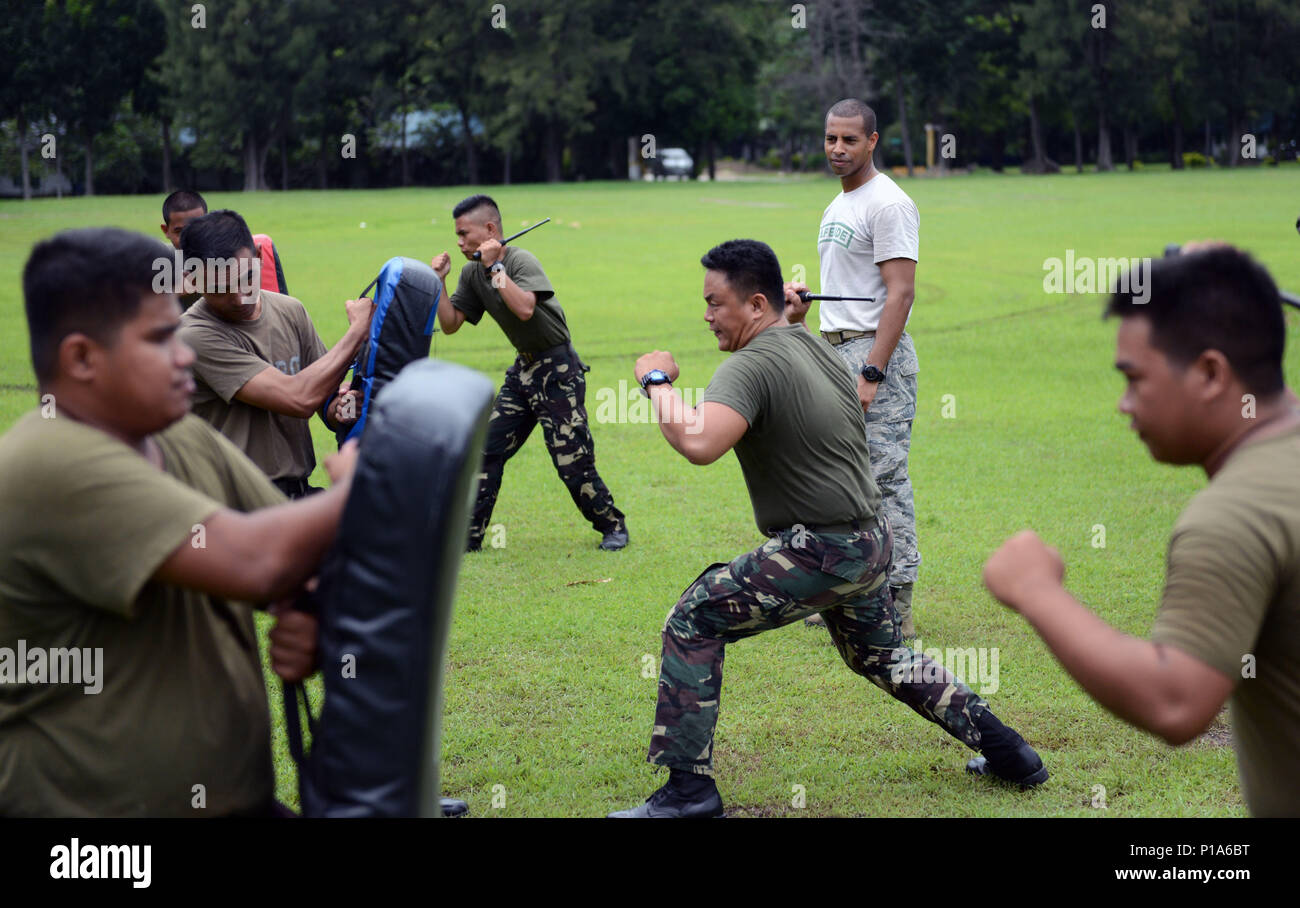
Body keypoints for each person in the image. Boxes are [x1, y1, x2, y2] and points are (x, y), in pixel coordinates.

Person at [609, 240, 1046, 818]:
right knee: (883, 656)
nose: (707, 315)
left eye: (715, 303)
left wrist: (655, 379)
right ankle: (1011, 752)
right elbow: (787, 347)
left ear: (757, 303)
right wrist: (794, 317)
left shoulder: (751, 363)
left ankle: (689, 793)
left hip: (824, 549)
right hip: (871, 540)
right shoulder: (812, 347)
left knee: (694, 618)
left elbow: (698, 442)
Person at [0, 227, 346, 817]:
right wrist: (372, 481)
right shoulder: (47, 463)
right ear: (81, 358)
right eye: (162, 338)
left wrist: (313, 611)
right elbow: (258, 561)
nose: (186, 351)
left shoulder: (179, 432)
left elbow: (292, 558)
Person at [984, 245, 1300, 818]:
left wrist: (1037, 591)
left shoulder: (1235, 515)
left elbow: (1176, 702)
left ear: (1209, 373)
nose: (1123, 405)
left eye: (1135, 379)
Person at [785, 99, 922, 638]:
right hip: (833, 352)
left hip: (872, 356)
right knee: (839, 481)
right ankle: (846, 592)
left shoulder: (888, 204)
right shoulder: (837, 204)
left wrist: (872, 373)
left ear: (872, 141)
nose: (837, 149)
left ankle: (899, 601)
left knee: (884, 478)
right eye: (830, 139)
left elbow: (900, 293)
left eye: (848, 140)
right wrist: (801, 312)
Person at [431, 194, 627, 551]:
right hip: (522, 371)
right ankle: (469, 536)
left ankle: (612, 524)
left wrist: (496, 269)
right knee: (485, 449)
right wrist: (439, 282)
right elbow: (450, 324)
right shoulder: (471, 272)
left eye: (464, 234)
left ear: (490, 230)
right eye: (456, 235)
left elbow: (524, 308)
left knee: (571, 460)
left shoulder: (520, 260)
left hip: (558, 370)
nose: (458, 242)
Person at [178, 209, 369, 498]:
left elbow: (323, 400)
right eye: (219, 289)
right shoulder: (193, 335)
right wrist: (357, 332)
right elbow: (300, 397)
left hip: (295, 493)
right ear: (192, 278)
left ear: (258, 257)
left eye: (245, 279)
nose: (239, 297)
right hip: (235, 506)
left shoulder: (290, 310)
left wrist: (343, 408)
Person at [159, 189, 289, 302]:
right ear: (166, 230)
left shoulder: (229, 252)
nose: (188, 238)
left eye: (195, 229)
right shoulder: (158, 259)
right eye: (179, 231)